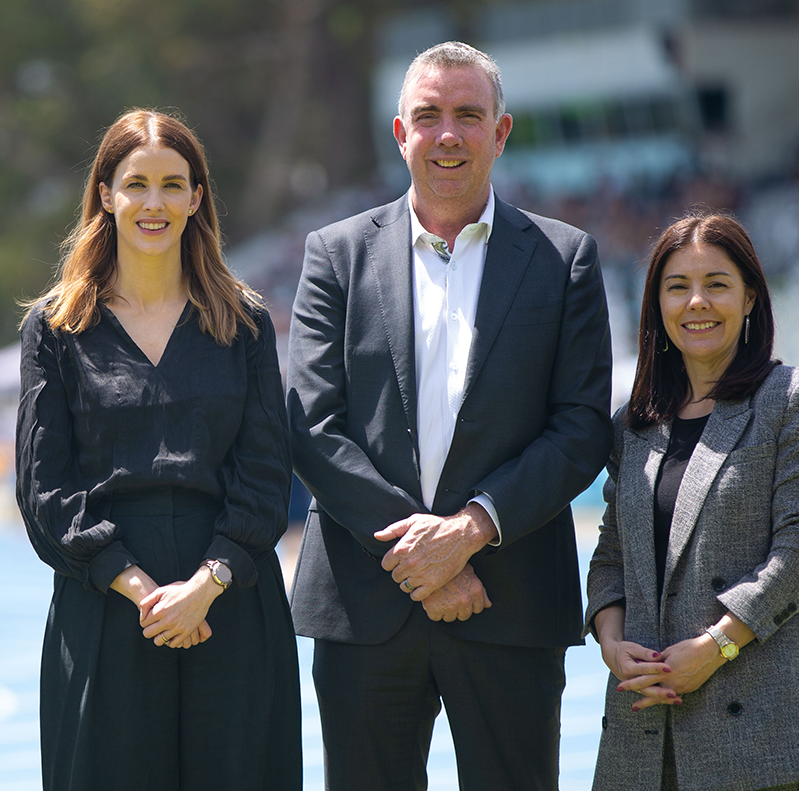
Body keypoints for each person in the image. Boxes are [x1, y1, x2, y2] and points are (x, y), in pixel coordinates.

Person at [287, 42, 613, 791]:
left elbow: (580, 426)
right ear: (400, 133)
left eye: (469, 115)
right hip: (367, 607)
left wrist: (469, 530)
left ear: (501, 133)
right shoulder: (334, 254)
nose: (447, 134)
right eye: (428, 116)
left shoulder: (565, 260)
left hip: (510, 599)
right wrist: (422, 557)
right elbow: (312, 420)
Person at [16, 109, 300, 791]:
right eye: (135, 183)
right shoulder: (55, 327)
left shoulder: (245, 321)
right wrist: (143, 590)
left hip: (232, 599)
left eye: (173, 184)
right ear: (105, 193)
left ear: (197, 198)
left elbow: (266, 470)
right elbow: (43, 486)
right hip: (108, 603)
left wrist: (208, 583)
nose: (154, 202)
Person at [586, 211, 799, 791]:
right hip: (642, 733)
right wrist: (612, 643)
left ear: (751, 297)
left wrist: (716, 647)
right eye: (677, 286)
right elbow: (613, 558)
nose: (696, 303)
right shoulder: (633, 427)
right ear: (657, 305)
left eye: (717, 284)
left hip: (760, 734)